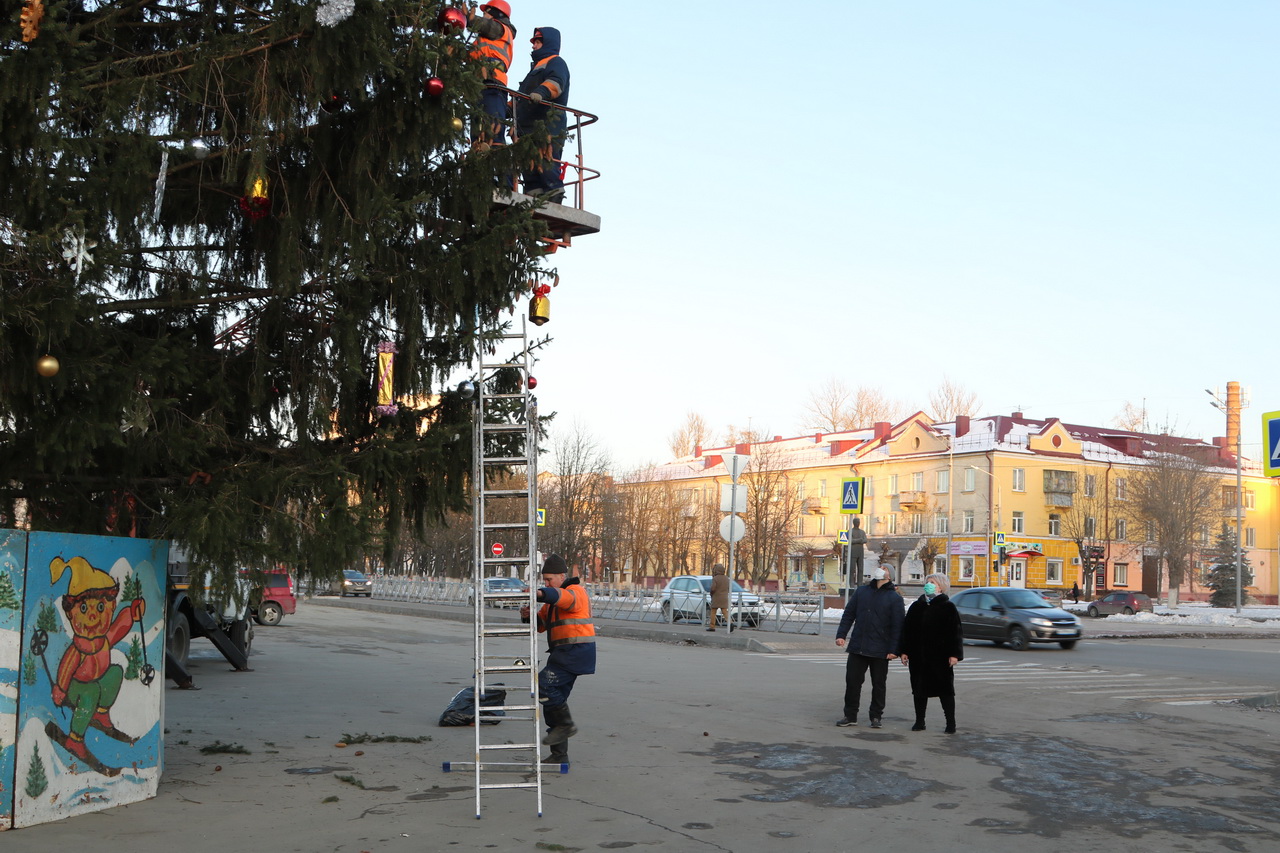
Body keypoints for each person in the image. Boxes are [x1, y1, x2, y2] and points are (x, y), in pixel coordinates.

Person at [521, 553, 594, 766]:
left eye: (549, 579)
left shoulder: (575, 591)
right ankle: (559, 755)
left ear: (561, 576)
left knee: (543, 685)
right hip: (562, 654)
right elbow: (540, 626)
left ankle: (566, 725)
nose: (546, 583)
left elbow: (561, 598)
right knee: (552, 702)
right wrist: (528, 615)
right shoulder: (553, 601)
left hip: (575, 651)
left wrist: (539, 593)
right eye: (544, 580)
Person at [834, 564, 903, 729]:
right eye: (880, 567)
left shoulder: (894, 598)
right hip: (858, 646)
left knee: (878, 684)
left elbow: (898, 627)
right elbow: (849, 614)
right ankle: (850, 715)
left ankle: (876, 716)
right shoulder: (862, 592)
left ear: (889, 576)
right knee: (852, 682)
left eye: (884, 568)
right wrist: (841, 635)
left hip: (881, 649)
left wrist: (894, 650)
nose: (880, 569)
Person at [898, 572, 963, 734]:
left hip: (940, 657)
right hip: (918, 656)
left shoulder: (948, 607)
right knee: (919, 690)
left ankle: (950, 723)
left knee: (945, 690)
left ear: (941, 587)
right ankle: (920, 721)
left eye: (932, 582)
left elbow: (955, 632)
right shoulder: (916, 606)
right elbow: (907, 630)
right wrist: (904, 651)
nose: (929, 584)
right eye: (927, 582)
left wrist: (954, 654)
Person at [515, 26, 570, 201]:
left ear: (548, 43)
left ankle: (554, 194)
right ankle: (533, 194)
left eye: (537, 42)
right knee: (529, 167)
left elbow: (556, 82)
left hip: (548, 125)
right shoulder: (533, 70)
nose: (533, 46)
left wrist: (541, 93)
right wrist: (506, 108)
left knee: (546, 161)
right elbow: (521, 97)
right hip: (527, 128)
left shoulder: (556, 62)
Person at [467, 1, 516, 150]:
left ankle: (503, 171)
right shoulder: (481, 41)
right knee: (477, 135)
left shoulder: (500, 29)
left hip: (493, 84)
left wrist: (467, 18)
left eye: (486, 13)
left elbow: (483, 25)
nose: (484, 16)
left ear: (496, 14)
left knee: (494, 131)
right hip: (478, 86)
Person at [708, 563, 730, 632]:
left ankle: (712, 626)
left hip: (716, 597)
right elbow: (728, 588)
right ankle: (730, 623)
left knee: (713, 611)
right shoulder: (726, 578)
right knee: (724, 611)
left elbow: (713, 588)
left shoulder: (715, 578)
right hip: (724, 597)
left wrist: (711, 593)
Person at [848, 517, 869, 583]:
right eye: (857, 522)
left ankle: (859, 584)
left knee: (860, 569)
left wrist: (858, 540)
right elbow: (850, 540)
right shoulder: (850, 531)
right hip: (853, 552)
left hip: (860, 552)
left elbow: (865, 540)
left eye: (859, 522)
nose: (858, 523)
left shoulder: (862, 532)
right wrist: (860, 540)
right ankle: (851, 584)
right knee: (852, 569)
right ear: (854, 523)